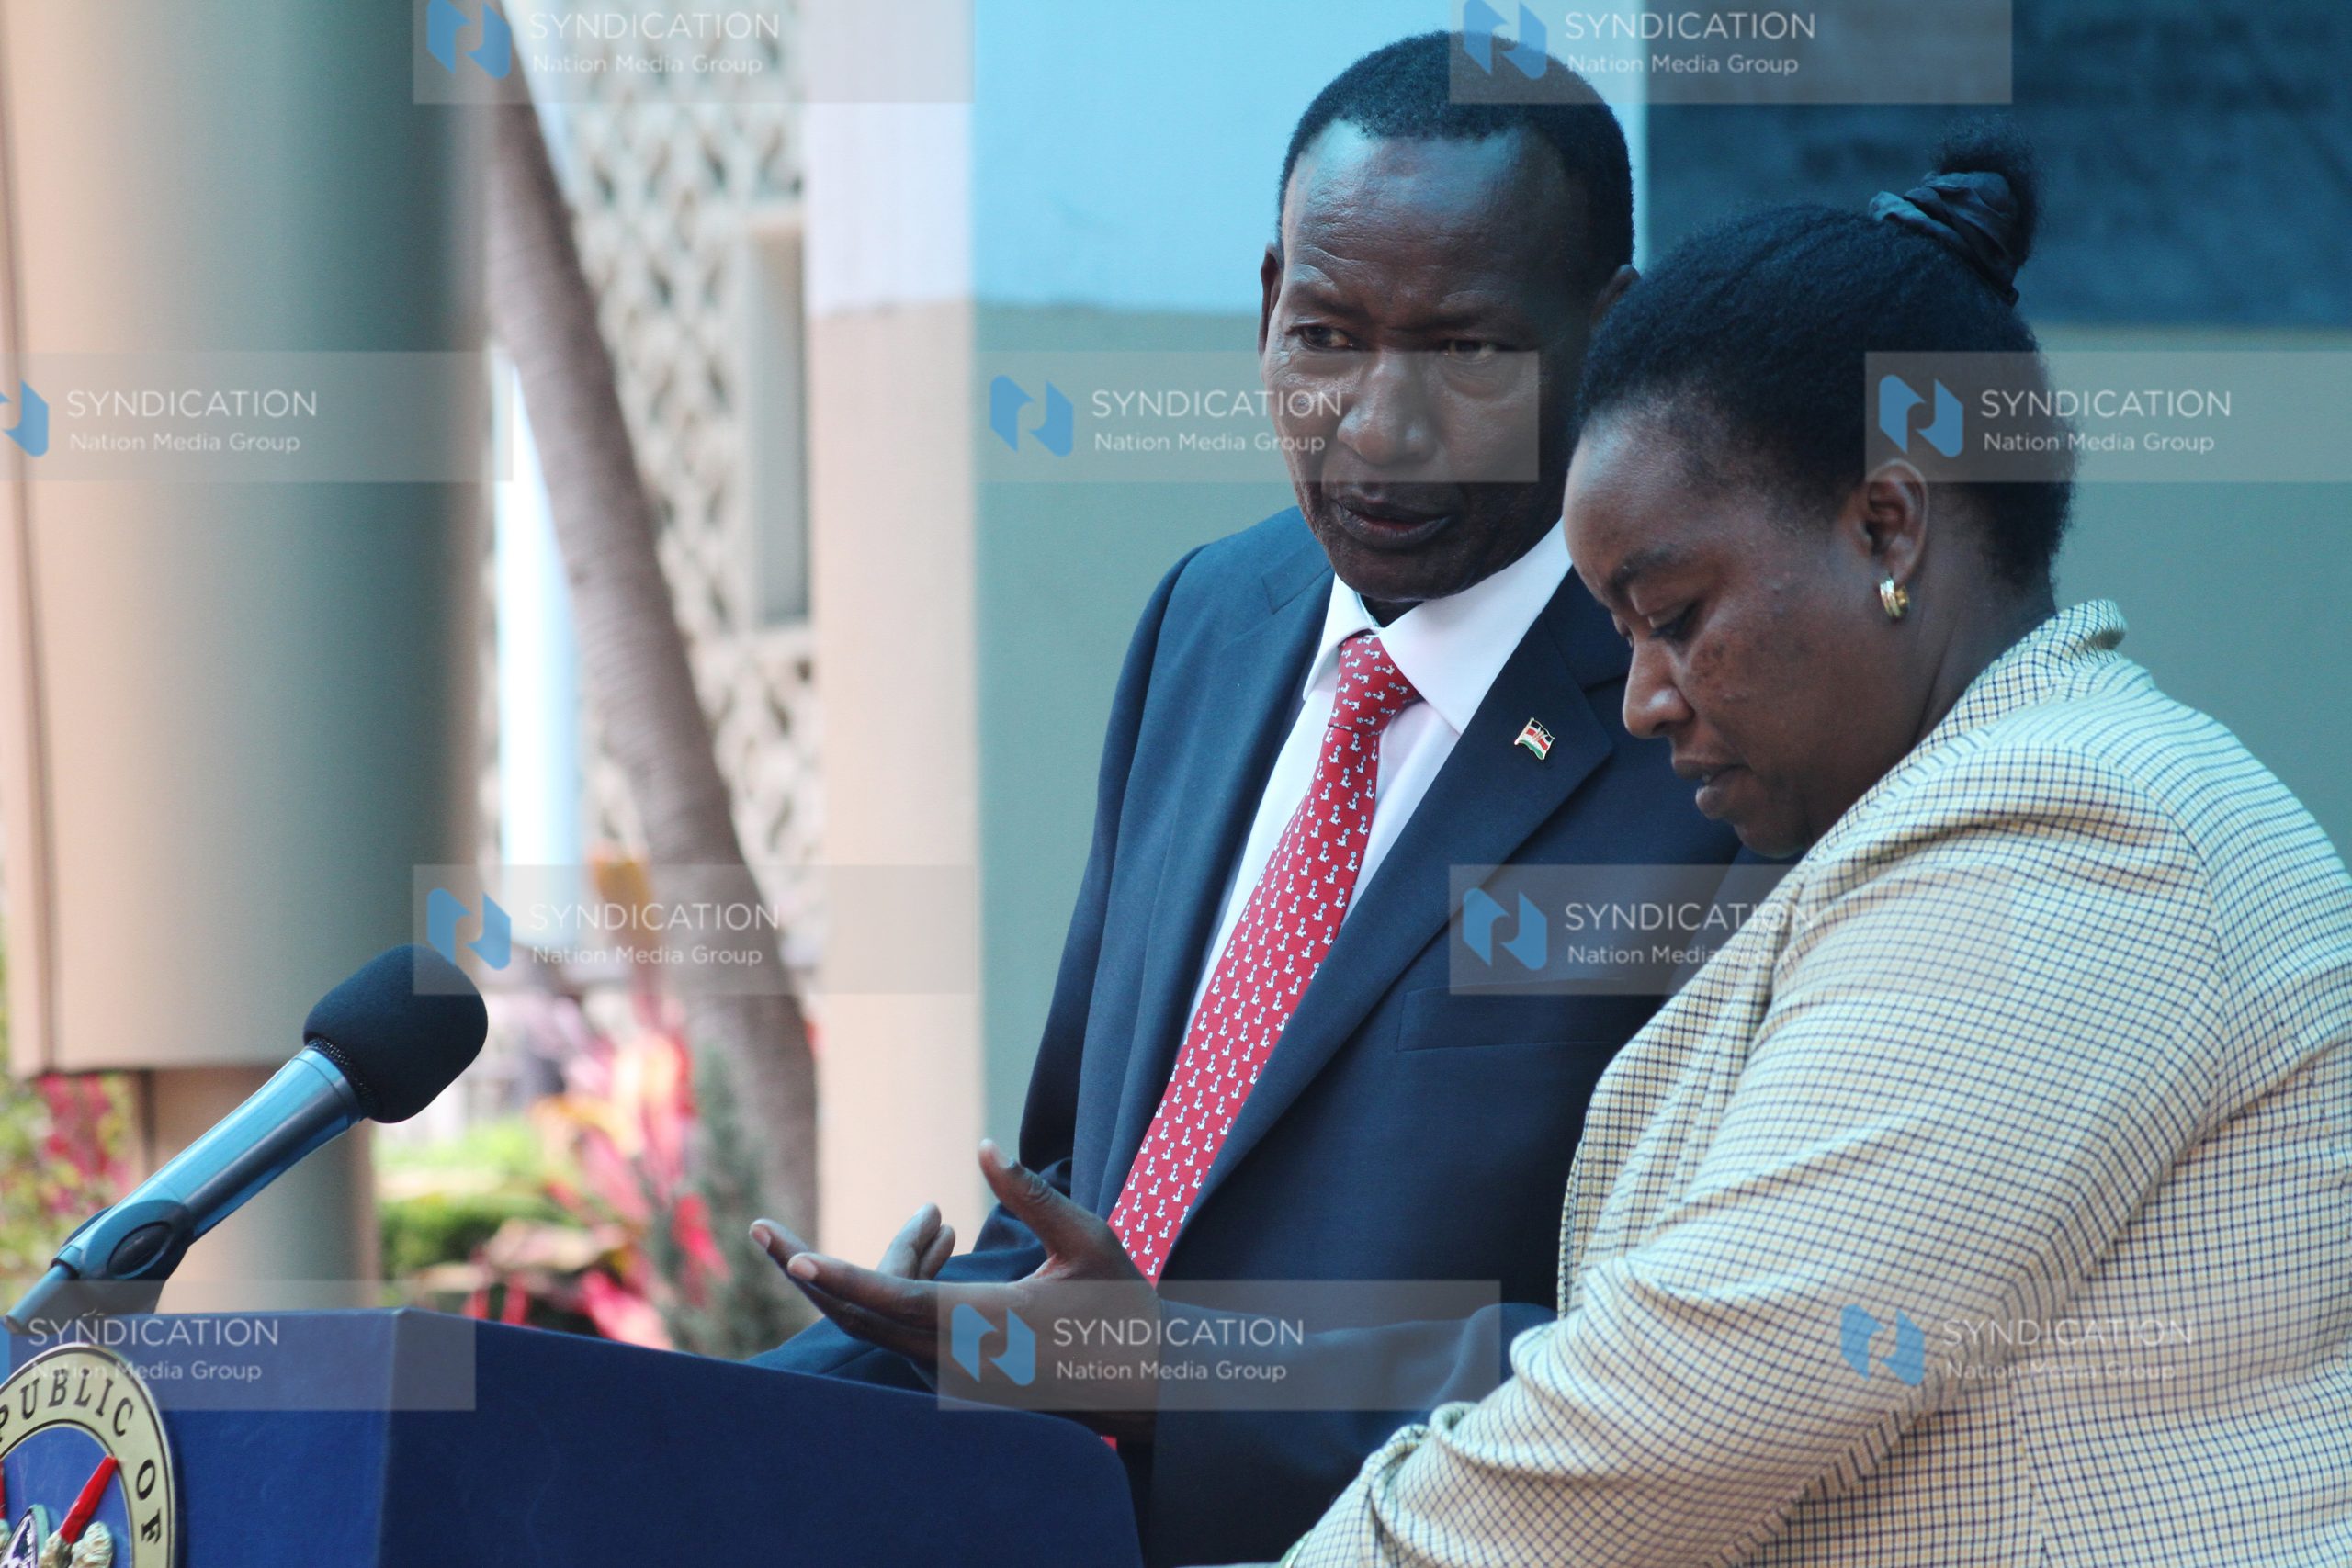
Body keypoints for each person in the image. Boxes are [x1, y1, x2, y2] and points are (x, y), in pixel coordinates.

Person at [1267, 123, 2352, 1566]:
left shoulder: (2070, 831)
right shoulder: (1974, 815)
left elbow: (1685, 1406)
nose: (1647, 699)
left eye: (1677, 613)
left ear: (1889, 525)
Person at [747, 32, 1745, 1568]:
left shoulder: (1710, 728)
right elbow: (1111, 1188)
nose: (1381, 423)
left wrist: (1182, 1377)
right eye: (1330, 336)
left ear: (1605, 338)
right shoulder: (1212, 621)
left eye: (1469, 354)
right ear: (1269, 304)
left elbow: (1666, 1356)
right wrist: (847, 1372)